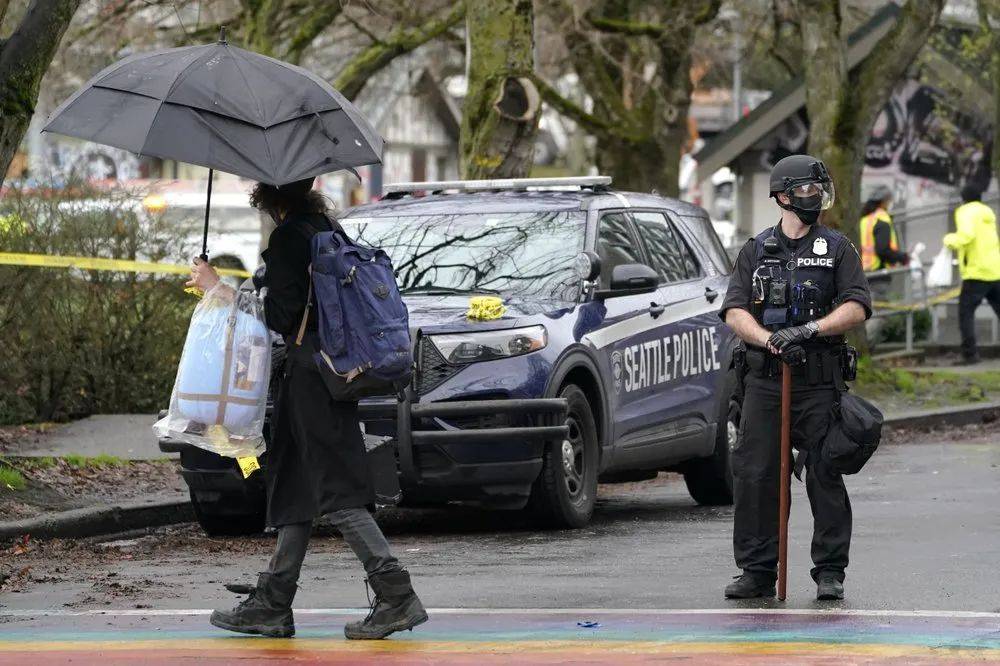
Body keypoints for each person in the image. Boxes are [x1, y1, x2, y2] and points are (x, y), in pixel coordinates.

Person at [186, 177, 427, 640]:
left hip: (312, 381)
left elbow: (279, 318)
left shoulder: (289, 239)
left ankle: (397, 595)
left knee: (338, 490)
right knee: (294, 487)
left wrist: (218, 287)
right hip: (326, 375)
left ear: (270, 199)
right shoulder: (327, 229)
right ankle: (273, 604)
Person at [719, 154, 872, 601]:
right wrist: (769, 339)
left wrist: (809, 330)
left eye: (819, 190)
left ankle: (829, 571)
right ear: (783, 197)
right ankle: (757, 569)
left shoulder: (838, 248)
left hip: (818, 382)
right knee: (757, 475)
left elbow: (857, 306)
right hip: (765, 381)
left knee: (825, 472)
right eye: (808, 190)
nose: (816, 199)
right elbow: (734, 311)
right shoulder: (755, 250)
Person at [943, 185, 1000, 365]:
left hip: (976, 271)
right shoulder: (987, 211)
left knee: (965, 314)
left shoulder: (965, 211)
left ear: (963, 198)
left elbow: (966, 236)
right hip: (995, 269)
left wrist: (948, 240)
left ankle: (970, 355)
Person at [859, 185, 908, 272]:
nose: (890, 203)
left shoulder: (864, 220)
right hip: (878, 271)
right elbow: (882, 250)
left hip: (864, 270)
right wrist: (903, 258)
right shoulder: (882, 219)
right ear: (883, 202)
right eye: (889, 200)